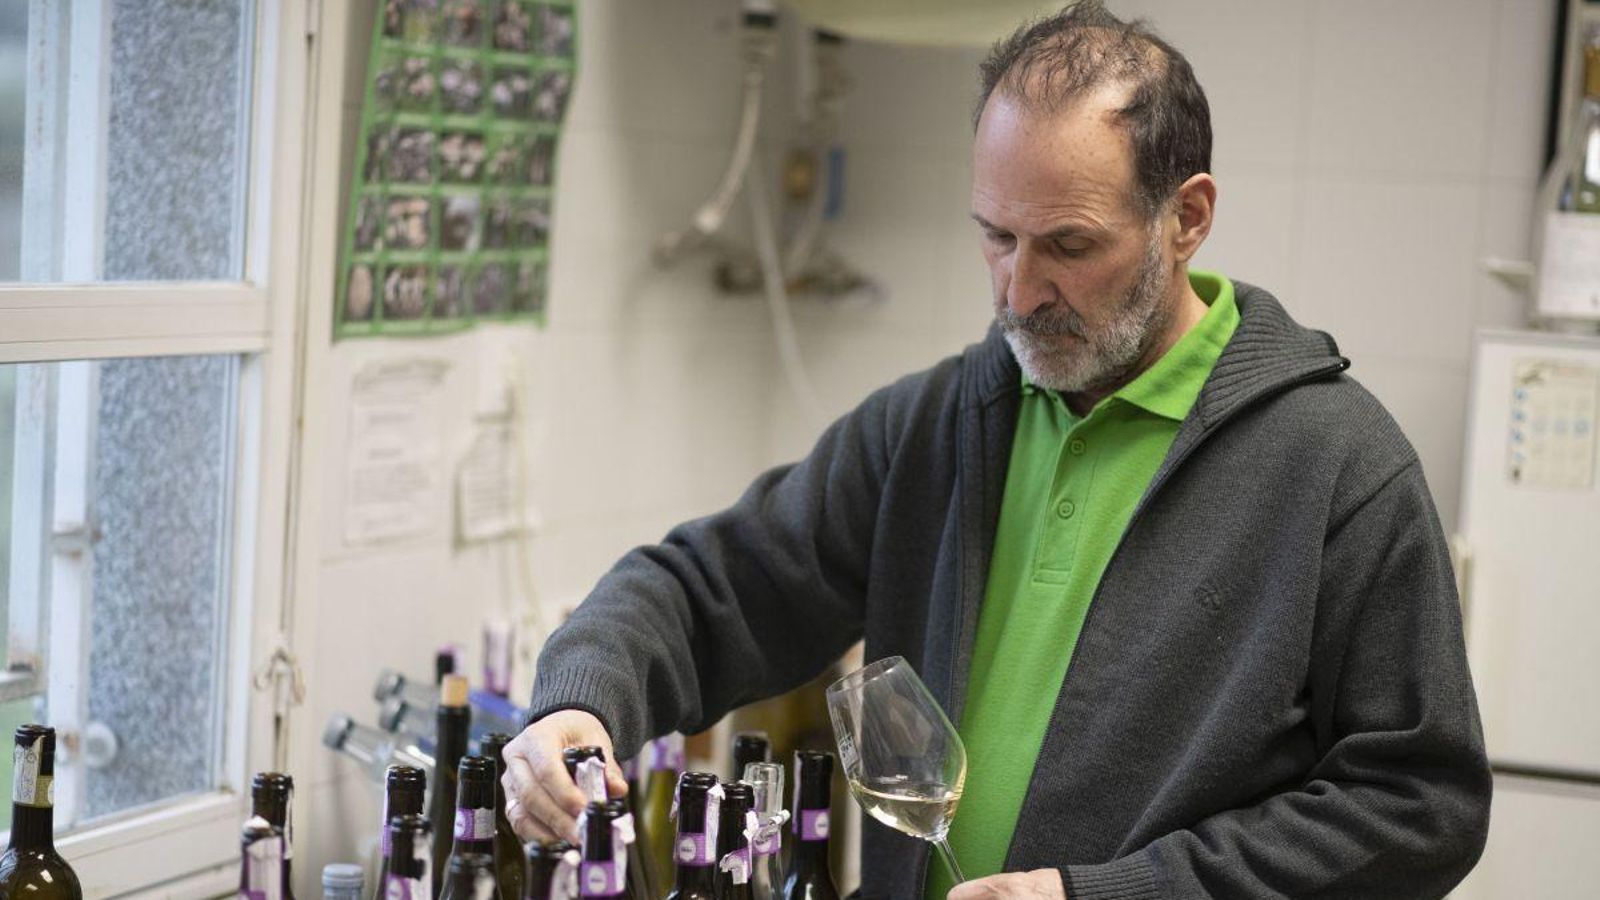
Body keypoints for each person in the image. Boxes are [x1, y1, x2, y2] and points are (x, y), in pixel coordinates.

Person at [500, 3, 1492, 898]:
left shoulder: (1336, 467)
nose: (1018, 293)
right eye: (994, 237)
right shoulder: (934, 427)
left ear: (1184, 218)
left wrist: (1097, 898)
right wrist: (578, 703)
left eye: (1067, 245)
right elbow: (706, 587)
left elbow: (1415, 810)